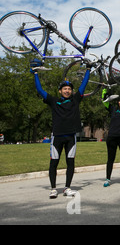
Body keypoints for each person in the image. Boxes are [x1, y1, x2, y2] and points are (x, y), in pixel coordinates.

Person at [31, 63, 90, 199]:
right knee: (54, 163)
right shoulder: (54, 101)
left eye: (69, 89)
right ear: (60, 91)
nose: (67, 91)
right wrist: (35, 74)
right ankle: (53, 189)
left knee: (70, 163)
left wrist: (88, 69)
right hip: (57, 137)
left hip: (71, 137)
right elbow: (40, 90)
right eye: (65, 89)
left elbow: (83, 85)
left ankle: (67, 188)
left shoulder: (76, 100)